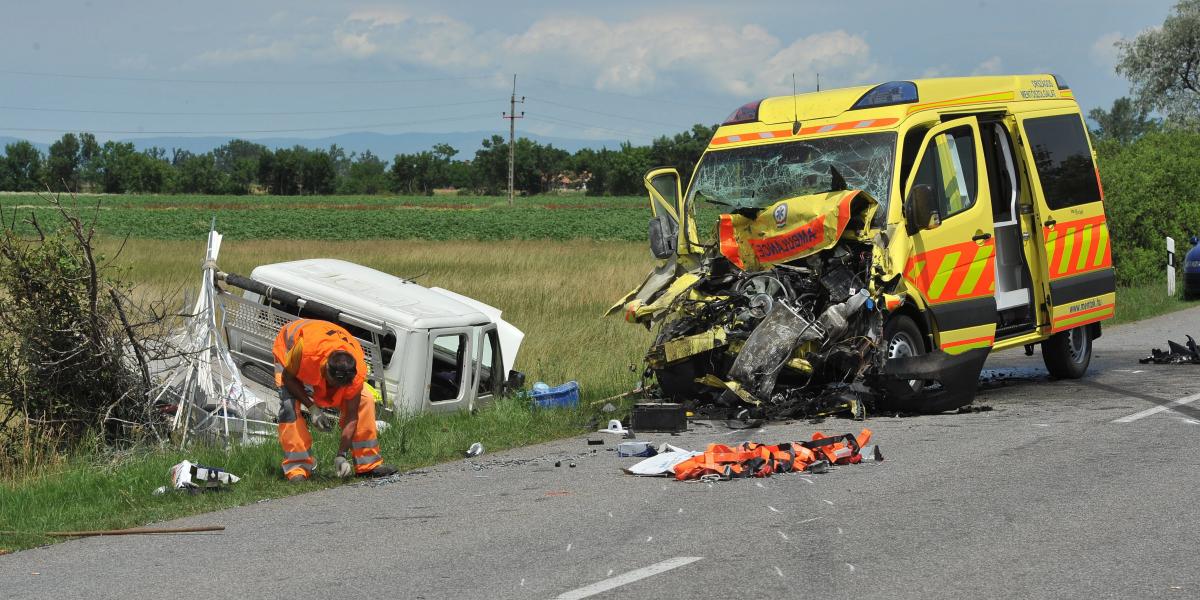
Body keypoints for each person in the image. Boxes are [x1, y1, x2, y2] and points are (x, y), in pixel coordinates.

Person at [272, 318, 397, 482]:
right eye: (334, 384)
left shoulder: (357, 368)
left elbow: (352, 416)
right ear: (325, 370)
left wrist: (341, 455)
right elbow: (289, 378)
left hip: (322, 345)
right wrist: (312, 408)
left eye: (342, 386)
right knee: (289, 407)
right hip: (289, 350)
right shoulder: (305, 351)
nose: (335, 390)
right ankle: (297, 469)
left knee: (365, 399)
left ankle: (368, 464)